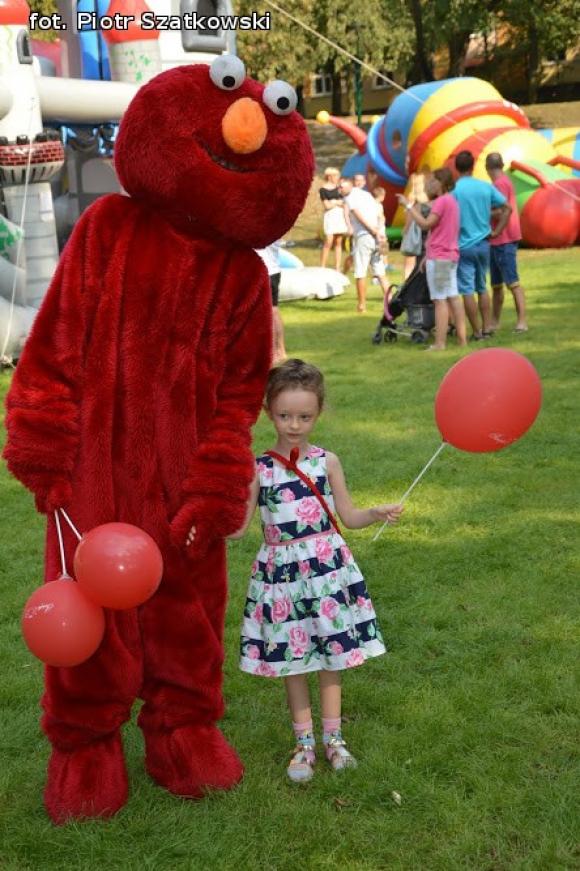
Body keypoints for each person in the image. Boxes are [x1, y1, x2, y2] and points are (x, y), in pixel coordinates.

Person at [232, 359, 403, 782]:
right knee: (295, 659)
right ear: (268, 412)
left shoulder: (327, 462)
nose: (294, 425)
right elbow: (237, 528)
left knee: (331, 657)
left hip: (327, 572)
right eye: (285, 415)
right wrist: (202, 522)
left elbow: (348, 515)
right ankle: (303, 743)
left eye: (304, 416)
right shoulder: (260, 469)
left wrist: (375, 512)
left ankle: (334, 739)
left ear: (318, 413)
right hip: (282, 578)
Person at [397, 168, 466, 350]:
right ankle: (462, 340)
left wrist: (409, 207)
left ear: (441, 183)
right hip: (449, 255)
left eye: (432, 181)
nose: (429, 184)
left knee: (440, 300)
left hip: (440, 257)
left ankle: (440, 343)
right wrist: (426, 256)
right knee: (453, 298)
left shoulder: (441, 202)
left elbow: (426, 224)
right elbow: (444, 231)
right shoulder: (452, 201)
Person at [453, 150, 511, 340]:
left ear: (457, 168)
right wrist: (498, 230)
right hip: (484, 244)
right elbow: (507, 208)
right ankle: (487, 328)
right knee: (482, 287)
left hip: (463, 245)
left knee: (467, 290)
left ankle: (476, 331)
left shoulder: (455, 191)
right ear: (473, 167)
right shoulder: (485, 187)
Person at [485, 152, 528, 333]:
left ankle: (522, 321)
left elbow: (502, 211)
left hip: (504, 239)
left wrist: (480, 214)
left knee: (513, 282)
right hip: (497, 242)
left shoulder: (499, 184)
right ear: (501, 165)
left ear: (487, 168)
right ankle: (495, 321)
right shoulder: (503, 182)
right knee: (496, 285)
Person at [339, 176, 391, 312]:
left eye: (342, 187)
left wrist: (373, 231)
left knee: (360, 272)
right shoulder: (366, 194)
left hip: (365, 236)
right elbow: (379, 214)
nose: (340, 189)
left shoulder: (350, 198)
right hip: (377, 236)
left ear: (350, 186)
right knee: (380, 271)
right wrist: (380, 231)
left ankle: (362, 305)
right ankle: (391, 301)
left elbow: (358, 215)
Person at [255, 241, 287, 364]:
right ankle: (280, 350)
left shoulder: (263, 227)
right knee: (273, 310)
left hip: (265, 269)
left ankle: (273, 352)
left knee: (268, 313)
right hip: (273, 269)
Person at [319, 167, 348, 271]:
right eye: (336, 176)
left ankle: (337, 266)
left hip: (339, 216)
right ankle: (322, 266)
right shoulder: (323, 190)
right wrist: (336, 202)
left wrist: (335, 202)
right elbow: (326, 205)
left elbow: (344, 202)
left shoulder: (339, 188)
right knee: (328, 241)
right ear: (330, 176)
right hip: (330, 217)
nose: (337, 178)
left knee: (338, 242)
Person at [402, 170, 429, 279]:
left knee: (409, 264)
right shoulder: (428, 197)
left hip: (415, 232)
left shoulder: (412, 197)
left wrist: (405, 231)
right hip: (425, 233)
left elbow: (409, 217)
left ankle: (406, 286)